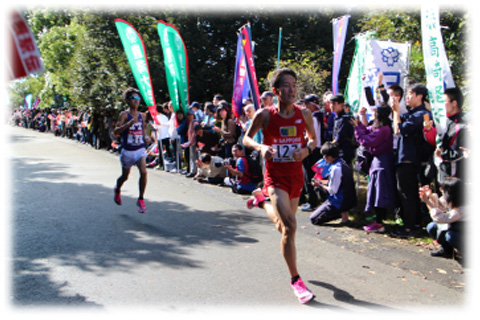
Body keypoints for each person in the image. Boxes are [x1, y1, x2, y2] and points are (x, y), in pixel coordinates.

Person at [243, 68, 317, 304]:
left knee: (283, 227)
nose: (292, 89)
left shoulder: (304, 114)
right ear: (276, 91)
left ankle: (261, 201)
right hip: (274, 177)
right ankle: (296, 280)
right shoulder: (265, 115)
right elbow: (246, 138)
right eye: (287, 85)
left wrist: (306, 150)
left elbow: (313, 139)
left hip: (296, 175)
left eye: (294, 85)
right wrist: (261, 148)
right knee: (291, 227)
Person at [391, 83, 431, 238]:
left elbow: (398, 129)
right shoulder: (414, 113)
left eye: (409, 94)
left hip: (409, 159)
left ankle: (409, 227)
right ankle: (413, 223)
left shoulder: (420, 115)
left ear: (419, 96)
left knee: (407, 193)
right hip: (408, 158)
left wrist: (396, 112)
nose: (406, 98)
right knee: (409, 193)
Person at [352, 105, 396, 233]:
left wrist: (356, 128)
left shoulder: (384, 129)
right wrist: (358, 124)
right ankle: (378, 221)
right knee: (377, 193)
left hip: (382, 163)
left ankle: (379, 223)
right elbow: (367, 130)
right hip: (378, 162)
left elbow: (366, 140)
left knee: (380, 194)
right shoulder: (381, 127)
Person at [113, 87, 148, 213]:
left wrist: (146, 137)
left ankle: (141, 199)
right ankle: (117, 189)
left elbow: (143, 130)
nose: (136, 101)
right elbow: (116, 132)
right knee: (125, 176)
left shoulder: (142, 115)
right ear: (127, 100)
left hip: (139, 149)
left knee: (143, 172)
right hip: (127, 151)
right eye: (133, 98)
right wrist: (127, 125)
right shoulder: (124, 115)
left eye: (138, 98)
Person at [423, 87, 468, 181]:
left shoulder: (463, 126)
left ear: (454, 103)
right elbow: (435, 141)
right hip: (441, 170)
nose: (441, 105)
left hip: (454, 175)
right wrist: (428, 130)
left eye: (444, 101)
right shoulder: (444, 121)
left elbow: (464, 152)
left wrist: (443, 153)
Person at [309, 142, 357, 226]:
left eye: (325, 156)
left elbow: (332, 190)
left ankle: (338, 213)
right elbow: (336, 182)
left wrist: (319, 185)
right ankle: (341, 211)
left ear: (330, 157)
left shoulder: (335, 169)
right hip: (348, 198)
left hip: (339, 201)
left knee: (314, 219)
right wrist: (320, 181)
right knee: (320, 186)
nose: (324, 158)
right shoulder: (342, 163)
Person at [419, 177, 465, 259]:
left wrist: (427, 202)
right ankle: (447, 251)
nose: (441, 190)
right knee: (432, 226)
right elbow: (440, 207)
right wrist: (430, 197)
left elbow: (440, 218)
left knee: (451, 236)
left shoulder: (464, 208)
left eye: (443, 188)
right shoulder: (452, 199)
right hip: (456, 228)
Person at [300, 94, 324, 212]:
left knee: (310, 176)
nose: (305, 106)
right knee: (314, 176)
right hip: (317, 149)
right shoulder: (320, 117)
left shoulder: (313, 118)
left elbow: (309, 136)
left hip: (312, 149)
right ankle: (315, 200)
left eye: (307, 104)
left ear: (314, 105)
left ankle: (312, 201)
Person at [330, 94, 356, 166]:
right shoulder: (336, 118)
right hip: (339, 154)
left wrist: (327, 148)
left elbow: (338, 140)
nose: (332, 106)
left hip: (344, 155)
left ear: (341, 105)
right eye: (331, 103)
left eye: (334, 104)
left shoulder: (343, 119)